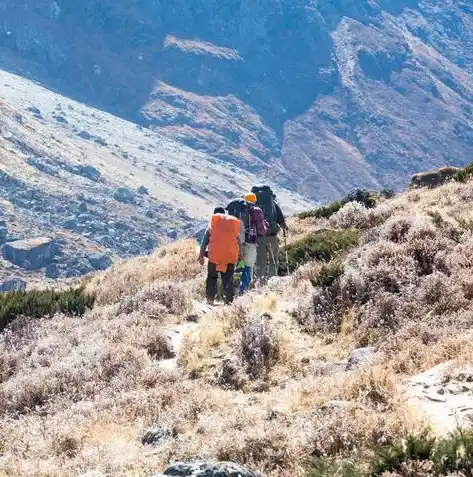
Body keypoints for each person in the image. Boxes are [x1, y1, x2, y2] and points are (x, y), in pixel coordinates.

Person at [198, 207, 242, 305]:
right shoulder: (231, 225)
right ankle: (229, 302)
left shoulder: (213, 224)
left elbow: (204, 242)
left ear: (214, 215)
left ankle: (210, 300)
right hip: (230, 256)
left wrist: (201, 255)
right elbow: (239, 242)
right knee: (228, 278)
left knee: (212, 277)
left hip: (214, 257)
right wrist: (240, 255)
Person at [251, 185, 288, 281]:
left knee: (260, 260)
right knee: (273, 259)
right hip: (272, 235)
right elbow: (280, 218)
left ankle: (260, 281)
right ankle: (273, 280)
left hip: (259, 237)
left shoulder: (252, 204)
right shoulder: (272, 203)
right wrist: (283, 227)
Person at [233, 193, 268, 294]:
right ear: (255, 201)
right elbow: (261, 230)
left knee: (238, 266)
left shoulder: (238, 209)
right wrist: (265, 224)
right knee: (248, 267)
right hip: (250, 242)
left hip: (237, 242)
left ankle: (233, 290)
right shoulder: (256, 211)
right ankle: (243, 291)